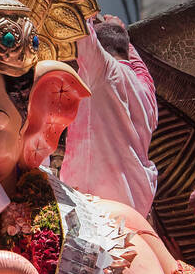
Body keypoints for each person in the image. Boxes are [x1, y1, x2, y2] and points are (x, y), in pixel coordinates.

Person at [60, 14, 158, 217]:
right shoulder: (146, 87)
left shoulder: (104, 71)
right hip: (135, 207)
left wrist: (87, 12)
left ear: (99, 51)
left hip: (101, 212)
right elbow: (134, 60)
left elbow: (82, 32)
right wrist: (118, 31)